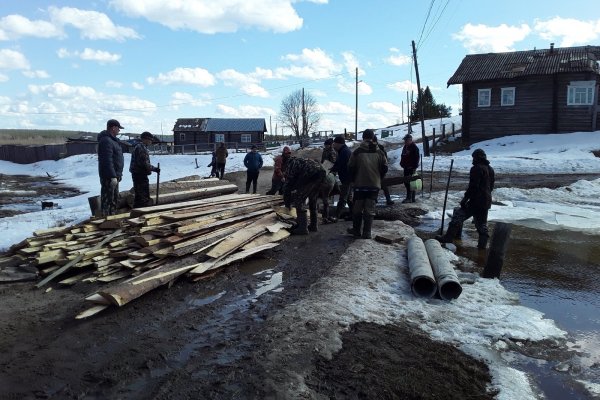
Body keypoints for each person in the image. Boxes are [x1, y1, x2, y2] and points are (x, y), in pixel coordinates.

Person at [436, 148, 495, 249]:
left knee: (458, 215)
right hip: (486, 201)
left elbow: (473, 186)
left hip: (476, 200)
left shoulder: (476, 168)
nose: (473, 159)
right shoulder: (490, 169)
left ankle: (449, 237)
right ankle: (482, 246)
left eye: (474, 157)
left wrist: (465, 199)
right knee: (481, 223)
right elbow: (491, 186)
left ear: (477, 157)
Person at [347, 129, 388, 239]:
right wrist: (379, 178)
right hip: (374, 185)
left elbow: (350, 167)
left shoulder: (357, 152)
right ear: (373, 137)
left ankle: (356, 230)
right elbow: (385, 167)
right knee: (370, 209)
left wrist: (353, 180)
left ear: (363, 137)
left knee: (357, 208)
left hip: (359, 185)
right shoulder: (380, 152)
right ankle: (367, 232)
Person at [282, 154, 327, 235]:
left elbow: (288, 185)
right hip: (322, 175)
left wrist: (287, 203)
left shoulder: (290, 164)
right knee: (313, 200)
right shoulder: (300, 160)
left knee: (299, 200)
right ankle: (313, 226)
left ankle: (302, 228)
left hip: (311, 177)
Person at [97, 119, 125, 216]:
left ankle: (112, 220)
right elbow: (107, 160)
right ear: (113, 128)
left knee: (114, 199)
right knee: (108, 200)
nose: (119, 130)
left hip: (114, 176)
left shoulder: (113, 141)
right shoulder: (106, 141)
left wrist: (117, 175)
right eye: (118, 128)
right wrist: (112, 176)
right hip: (108, 177)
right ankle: (106, 220)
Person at [129, 131, 160, 208]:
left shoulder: (140, 147)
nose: (151, 142)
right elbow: (144, 163)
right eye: (150, 140)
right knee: (142, 196)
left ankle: (138, 211)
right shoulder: (141, 148)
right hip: (140, 175)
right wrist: (154, 169)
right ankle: (141, 212)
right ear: (145, 139)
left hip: (138, 174)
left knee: (140, 196)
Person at [330, 135, 352, 221]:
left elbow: (341, 165)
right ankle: (353, 214)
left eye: (334, 144)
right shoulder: (343, 151)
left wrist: (332, 169)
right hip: (346, 178)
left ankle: (336, 216)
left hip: (347, 178)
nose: (333, 146)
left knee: (343, 197)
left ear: (338, 143)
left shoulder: (344, 152)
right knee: (349, 198)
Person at [372, 135, 394, 205]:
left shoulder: (379, 148)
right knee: (379, 185)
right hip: (377, 170)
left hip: (378, 170)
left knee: (380, 185)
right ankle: (385, 199)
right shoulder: (379, 148)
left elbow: (385, 159)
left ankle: (386, 199)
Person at [400, 134, 420, 203]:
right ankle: (411, 198)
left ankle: (410, 198)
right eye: (405, 140)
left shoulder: (414, 147)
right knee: (406, 182)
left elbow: (417, 158)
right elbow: (402, 155)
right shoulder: (405, 147)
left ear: (410, 140)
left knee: (411, 183)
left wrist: (414, 167)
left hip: (411, 168)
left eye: (406, 140)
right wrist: (401, 163)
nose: (405, 141)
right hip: (406, 167)